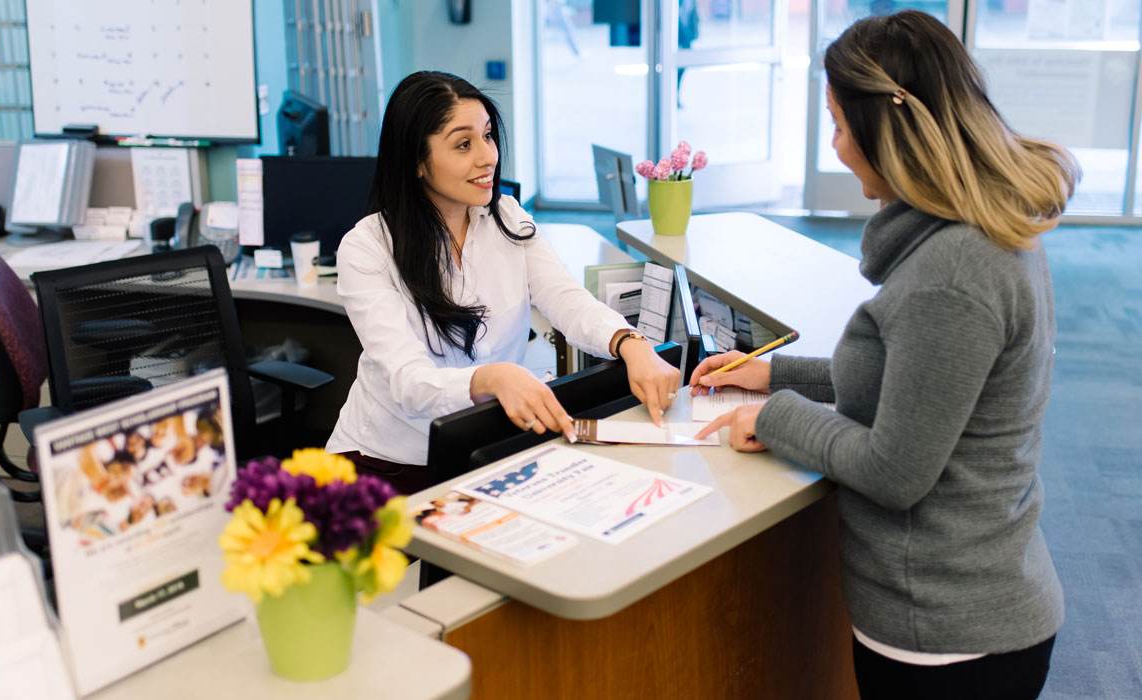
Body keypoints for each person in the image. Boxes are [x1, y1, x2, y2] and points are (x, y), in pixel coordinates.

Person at [691, 10, 1078, 699]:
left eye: (840, 125)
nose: (836, 146)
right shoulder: (977, 233)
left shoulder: (954, 274)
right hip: (969, 608)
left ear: (888, 134)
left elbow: (895, 469)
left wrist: (776, 414)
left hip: (947, 631)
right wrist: (772, 372)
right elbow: (914, 383)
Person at [326, 71, 680, 494]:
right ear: (417, 162)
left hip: (482, 451)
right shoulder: (367, 248)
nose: (487, 156)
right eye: (463, 144)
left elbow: (567, 300)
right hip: (386, 465)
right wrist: (491, 378)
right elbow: (408, 382)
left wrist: (632, 344)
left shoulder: (507, 217)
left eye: (488, 136)